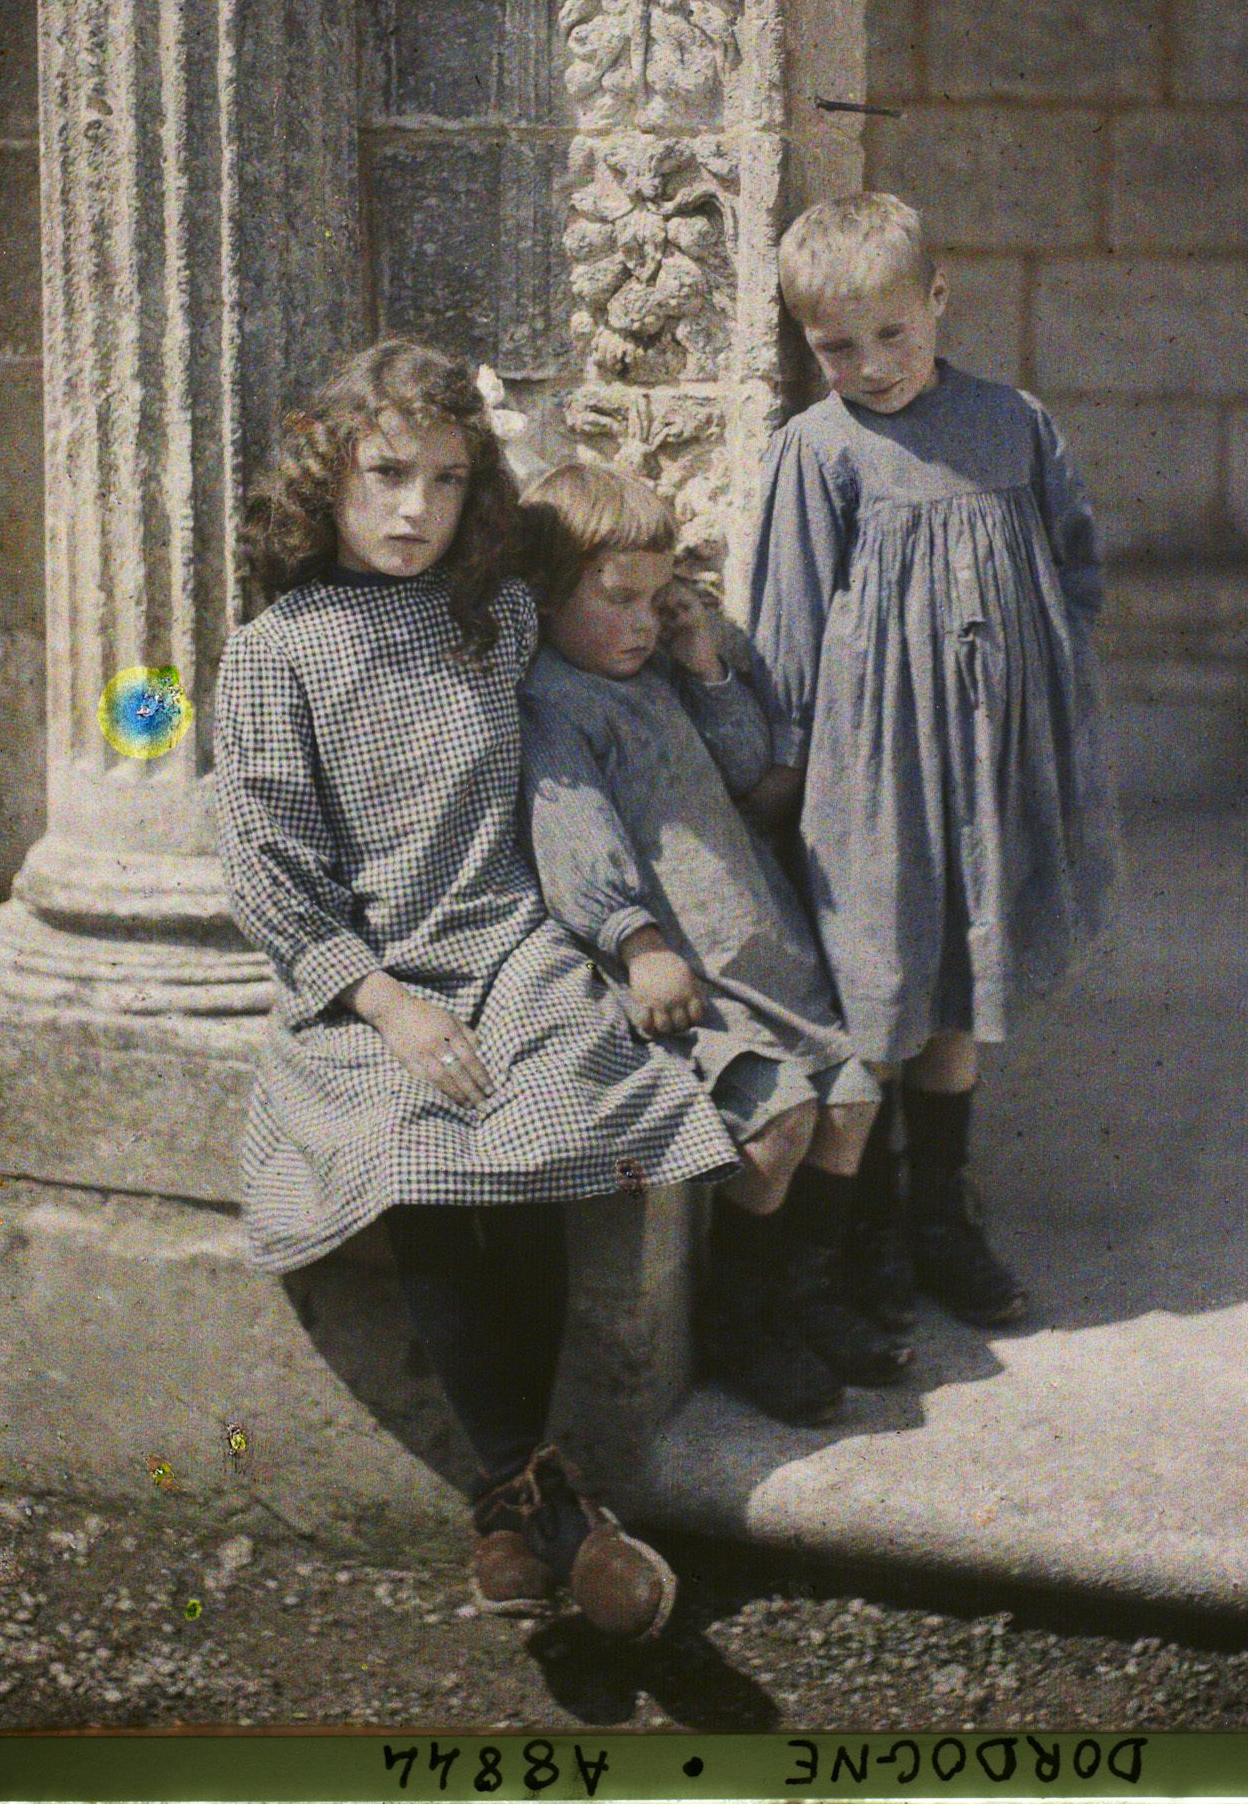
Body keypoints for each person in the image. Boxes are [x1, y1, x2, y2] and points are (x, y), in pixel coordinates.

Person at [213, 340, 741, 1640]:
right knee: (417, 1143)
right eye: (385, 476)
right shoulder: (276, 654)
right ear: (323, 480)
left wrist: (694, 627)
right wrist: (383, 1003)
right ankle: (535, 1500)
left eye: (447, 482)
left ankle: (519, 1515)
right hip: (372, 982)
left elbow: (586, 705)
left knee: (557, 1101)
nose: (414, 511)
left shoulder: (492, 617)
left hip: (508, 945)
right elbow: (266, 864)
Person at [746, 192, 1119, 1331]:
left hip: (991, 761)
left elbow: (1072, 565)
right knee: (879, 981)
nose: (871, 365)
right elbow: (786, 627)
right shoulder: (818, 450)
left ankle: (938, 1217)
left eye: (893, 334)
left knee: (962, 975)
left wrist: (1036, 696)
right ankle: (856, 1234)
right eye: (836, 348)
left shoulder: (1013, 422)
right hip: (875, 774)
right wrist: (786, 770)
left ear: (938, 301)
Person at [517, 461, 909, 1431]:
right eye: (619, 600)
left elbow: (747, 770)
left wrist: (702, 665)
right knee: (777, 1124)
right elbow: (574, 835)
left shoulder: (658, 675)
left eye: (659, 600)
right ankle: (743, 1315)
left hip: (759, 943)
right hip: (686, 968)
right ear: (544, 591)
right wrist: (636, 938)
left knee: (852, 1097)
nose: (643, 622)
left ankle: (808, 1290)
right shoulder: (555, 703)